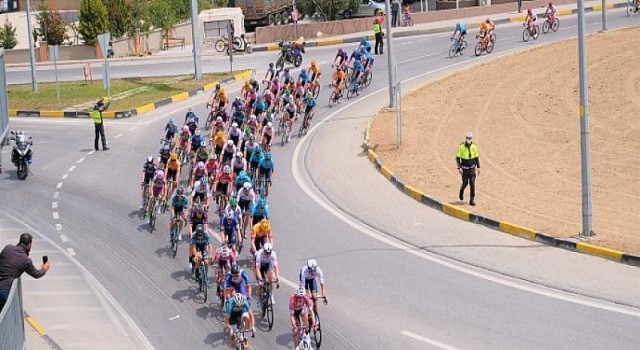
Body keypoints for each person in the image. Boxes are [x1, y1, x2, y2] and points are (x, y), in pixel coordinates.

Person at [0, 233, 50, 312]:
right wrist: (44, 268)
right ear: (29, 244)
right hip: (5, 292)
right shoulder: (26, 260)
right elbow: (36, 274)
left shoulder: (7, 248)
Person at [456, 132, 480, 206]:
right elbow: (457, 158)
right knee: (465, 183)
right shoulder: (461, 146)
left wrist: (478, 167)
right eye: (467, 138)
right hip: (465, 169)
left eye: (470, 138)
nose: (469, 139)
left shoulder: (474, 146)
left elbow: (476, 157)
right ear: (465, 138)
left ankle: (471, 200)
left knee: (472, 184)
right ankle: (461, 190)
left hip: (472, 169)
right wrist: (459, 167)